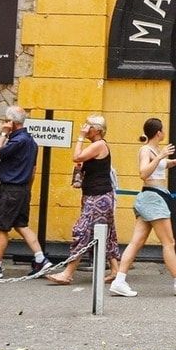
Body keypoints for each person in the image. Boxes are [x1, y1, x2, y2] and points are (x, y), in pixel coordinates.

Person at [109, 117, 176, 296]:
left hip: (152, 198)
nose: (164, 132)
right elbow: (144, 173)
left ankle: (119, 281)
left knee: (137, 242)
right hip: (153, 198)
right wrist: (161, 155)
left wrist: (175, 162)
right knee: (169, 242)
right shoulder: (146, 150)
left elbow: (160, 166)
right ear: (158, 133)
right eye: (163, 130)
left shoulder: (154, 150)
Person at [0, 106, 50, 279]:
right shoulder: (31, 142)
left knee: (1, 227)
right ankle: (41, 258)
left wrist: (3, 134)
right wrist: (27, 189)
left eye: (5, 121)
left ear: (12, 123)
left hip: (10, 189)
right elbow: (33, 170)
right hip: (23, 188)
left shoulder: (17, 141)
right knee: (21, 224)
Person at [46, 115, 123, 285]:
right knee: (107, 232)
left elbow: (77, 157)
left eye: (89, 125)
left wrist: (80, 137)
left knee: (82, 232)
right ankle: (116, 270)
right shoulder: (96, 146)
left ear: (97, 130)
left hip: (98, 197)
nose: (85, 127)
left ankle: (68, 273)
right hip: (97, 196)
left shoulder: (99, 145)